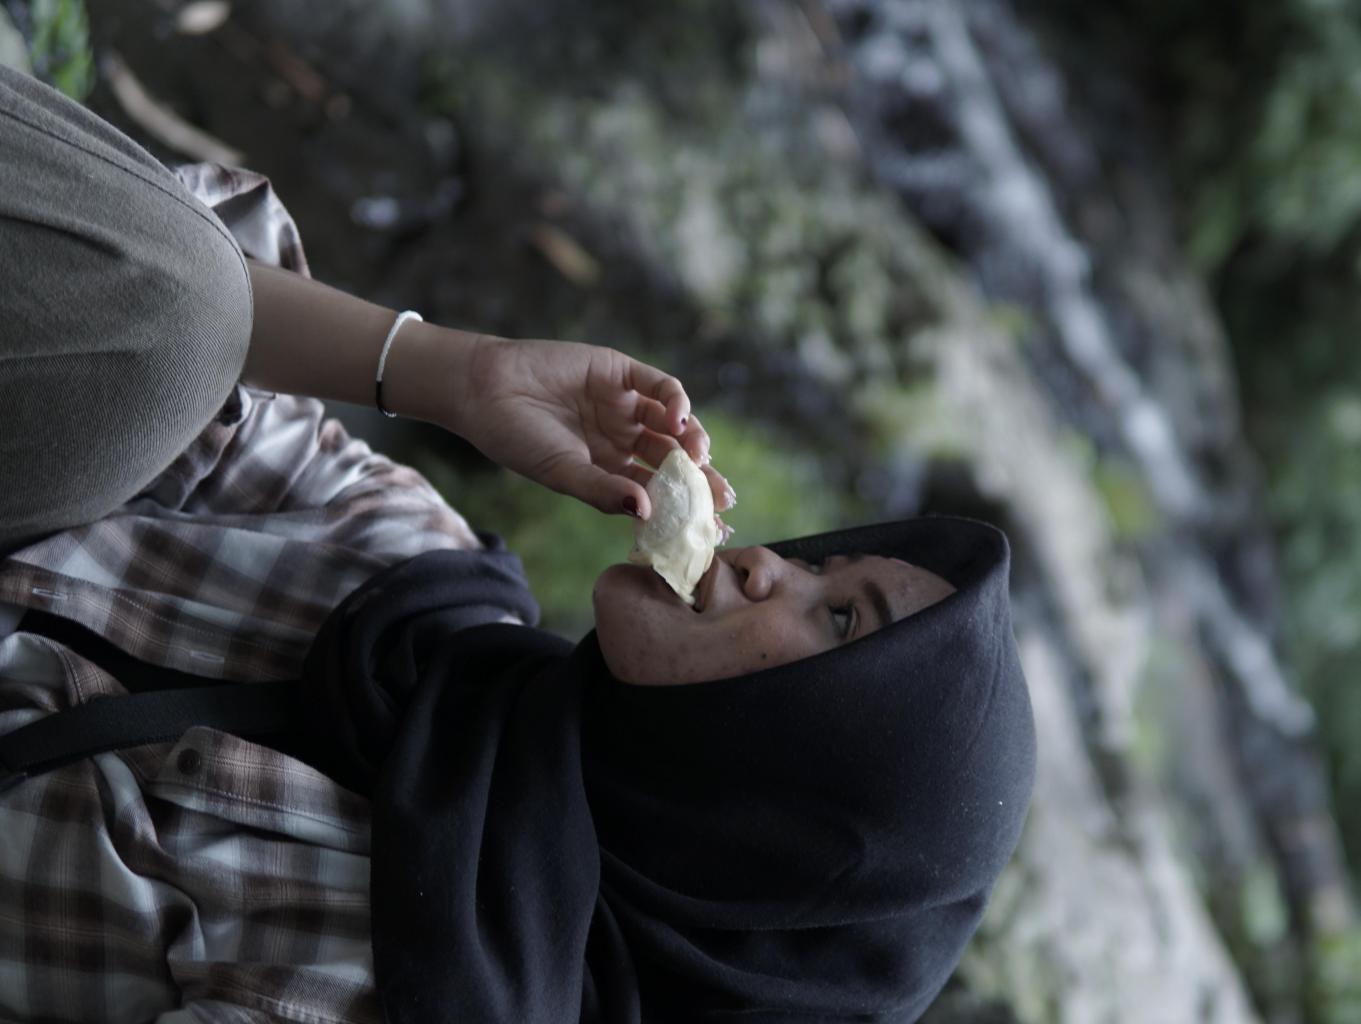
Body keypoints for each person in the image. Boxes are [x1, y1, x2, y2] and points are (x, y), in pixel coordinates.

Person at [0, 61, 1035, 1023]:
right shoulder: (421, 584)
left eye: (837, 619)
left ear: (786, 816)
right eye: (820, 567)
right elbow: (136, 308)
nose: (770, 562)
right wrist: (453, 374)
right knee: (184, 312)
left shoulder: (417, 990)